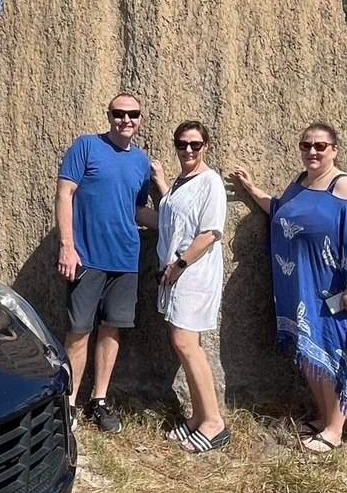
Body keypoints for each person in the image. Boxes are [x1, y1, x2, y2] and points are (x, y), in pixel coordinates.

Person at [230, 122, 347, 453]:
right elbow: (280, 211)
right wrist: (252, 189)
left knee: (333, 354)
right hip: (300, 289)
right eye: (306, 145)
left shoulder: (345, 187)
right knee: (310, 354)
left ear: (334, 150)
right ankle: (323, 415)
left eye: (320, 146)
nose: (312, 152)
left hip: (333, 290)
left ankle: (335, 429)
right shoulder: (300, 184)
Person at [55, 91, 151, 433]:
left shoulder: (141, 161)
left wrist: (174, 222)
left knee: (112, 331)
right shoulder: (86, 147)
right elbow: (65, 193)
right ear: (109, 115)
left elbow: (138, 210)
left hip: (125, 259)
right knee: (78, 332)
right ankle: (67, 404)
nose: (126, 119)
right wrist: (67, 246)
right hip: (87, 257)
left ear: (140, 118)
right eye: (119, 113)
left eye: (133, 114)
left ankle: (99, 401)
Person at [144, 120, 230, 453]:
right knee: (183, 343)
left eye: (195, 144)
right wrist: (162, 183)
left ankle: (214, 422)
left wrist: (179, 265)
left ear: (206, 146)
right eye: (182, 144)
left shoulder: (211, 182)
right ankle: (197, 416)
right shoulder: (182, 182)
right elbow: (174, 215)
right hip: (176, 274)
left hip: (193, 272)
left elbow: (209, 232)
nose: (189, 150)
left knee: (186, 342)